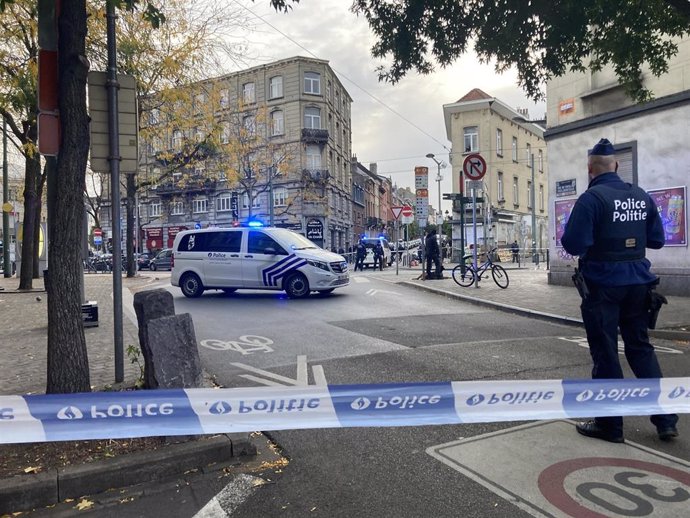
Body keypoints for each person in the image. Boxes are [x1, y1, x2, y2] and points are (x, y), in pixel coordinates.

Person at [562, 137, 678, 444]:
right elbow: (657, 240)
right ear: (616, 165)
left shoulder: (591, 200)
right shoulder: (640, 196)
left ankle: (610, 426)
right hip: (640, 285)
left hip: (603, 288)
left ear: (591, 170)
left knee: (606, 353)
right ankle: (666, 419)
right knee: (641, 349)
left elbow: (573, 244)